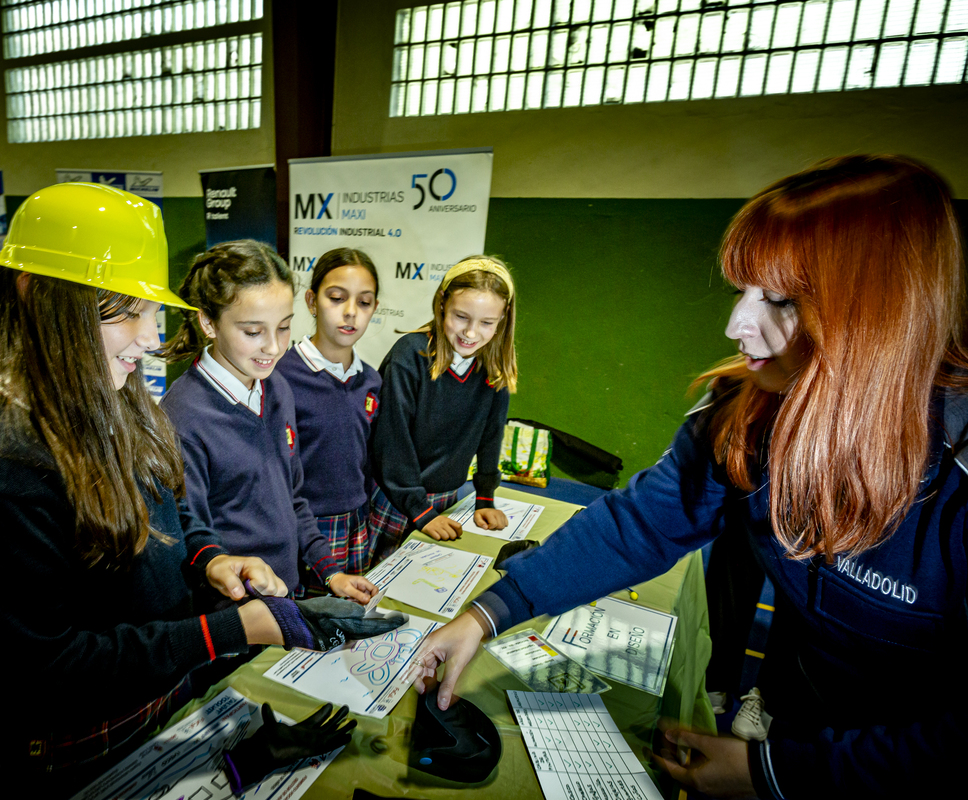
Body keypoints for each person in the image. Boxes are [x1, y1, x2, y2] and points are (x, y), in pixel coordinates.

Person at [407, 155, 968, 798]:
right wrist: (486, 614)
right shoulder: (744, 415)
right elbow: (638, 525)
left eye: (780, 301)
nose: (736, 327)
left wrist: (771, 775)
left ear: (880, 315)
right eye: (743, 292)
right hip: (803, 715)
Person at [0, 183, 401, 797]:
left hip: (151, 711)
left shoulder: (118, 399)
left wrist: (213, 558)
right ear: (40, 297)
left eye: (151, 312)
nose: (151, 337)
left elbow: (175, 510)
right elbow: (47, 670)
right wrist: (234, 630)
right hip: (61, 760)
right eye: (128, 312)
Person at [159, 240, 379, 603]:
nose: (274, 348)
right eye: (252, 332)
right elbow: (188, 532)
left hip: (286, 591)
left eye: (283, 328)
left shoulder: (277, 387)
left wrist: (330, 570)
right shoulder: (183, 416)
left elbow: (292, 498)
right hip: (234, 610)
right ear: (208, 322)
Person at [367, 256, 518, 561]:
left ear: (502, 320)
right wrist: (420, 510)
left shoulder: (493, 365)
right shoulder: (408, 357)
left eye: (487, 323)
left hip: (447, 498)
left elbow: (492, 434)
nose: (471, 333)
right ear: (441, 305)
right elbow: (391, 441)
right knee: (377, 588)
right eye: (461, 317)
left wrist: (486, 497)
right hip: (399, 498)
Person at [275, 248, 383, 591]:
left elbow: (365, 460)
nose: (350, 312)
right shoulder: (281, 379)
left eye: (364, 303)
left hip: (357, 523)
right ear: (311, 301)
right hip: (305, 527)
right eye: (336, 298)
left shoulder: (371, 381)